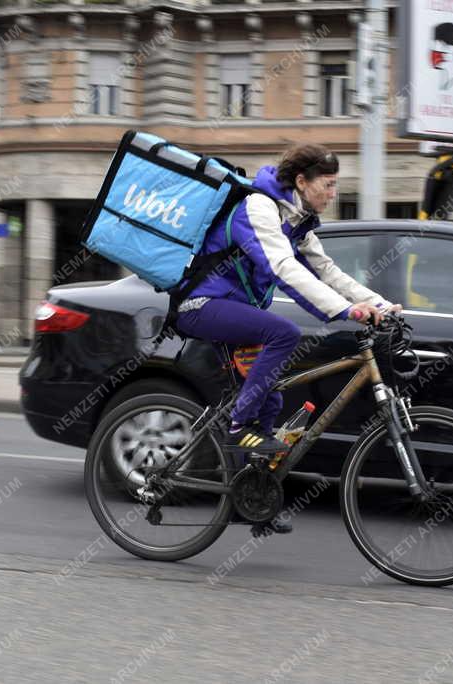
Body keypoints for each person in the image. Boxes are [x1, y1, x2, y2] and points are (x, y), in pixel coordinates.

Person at [175, 143, 401, 533]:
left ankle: (252, 499)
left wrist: (380, 304)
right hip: (201, 304)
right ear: (302, 181)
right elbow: (282, 267)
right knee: (283, 333)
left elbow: (328, 272)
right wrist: (344, 311)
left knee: (272, 394)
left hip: (233, 310)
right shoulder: (259, 207)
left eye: (335, 186)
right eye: (327, 186)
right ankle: (237, 426)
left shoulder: (299, 219)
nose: (333, 194)